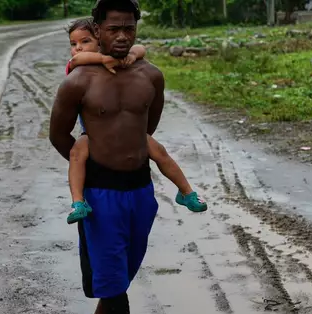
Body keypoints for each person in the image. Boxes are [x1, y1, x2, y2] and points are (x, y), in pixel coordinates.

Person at [50, 0, 170, 314]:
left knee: (128, 265)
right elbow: (58, 135)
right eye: (114, 28)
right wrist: (88, 160)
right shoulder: (78, 82)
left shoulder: (151, 77)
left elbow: (146, 128)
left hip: (140, 188)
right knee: (113, 276)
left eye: (129, 28)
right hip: (101, 194)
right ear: (97, 31)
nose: (122, 36)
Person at [64, 18, 207, 224]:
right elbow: (78, 60)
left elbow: (141, 48)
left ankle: (186, 192)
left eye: (84, 42)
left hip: (131, 133)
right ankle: (78, 202)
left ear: (100, 39)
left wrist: (131, 54)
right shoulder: (78, 68)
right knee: (77, 153)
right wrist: (103, 59)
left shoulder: (120, 61)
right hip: (95, 135)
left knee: (160, 152)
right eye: (73, 44)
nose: (78, 48)